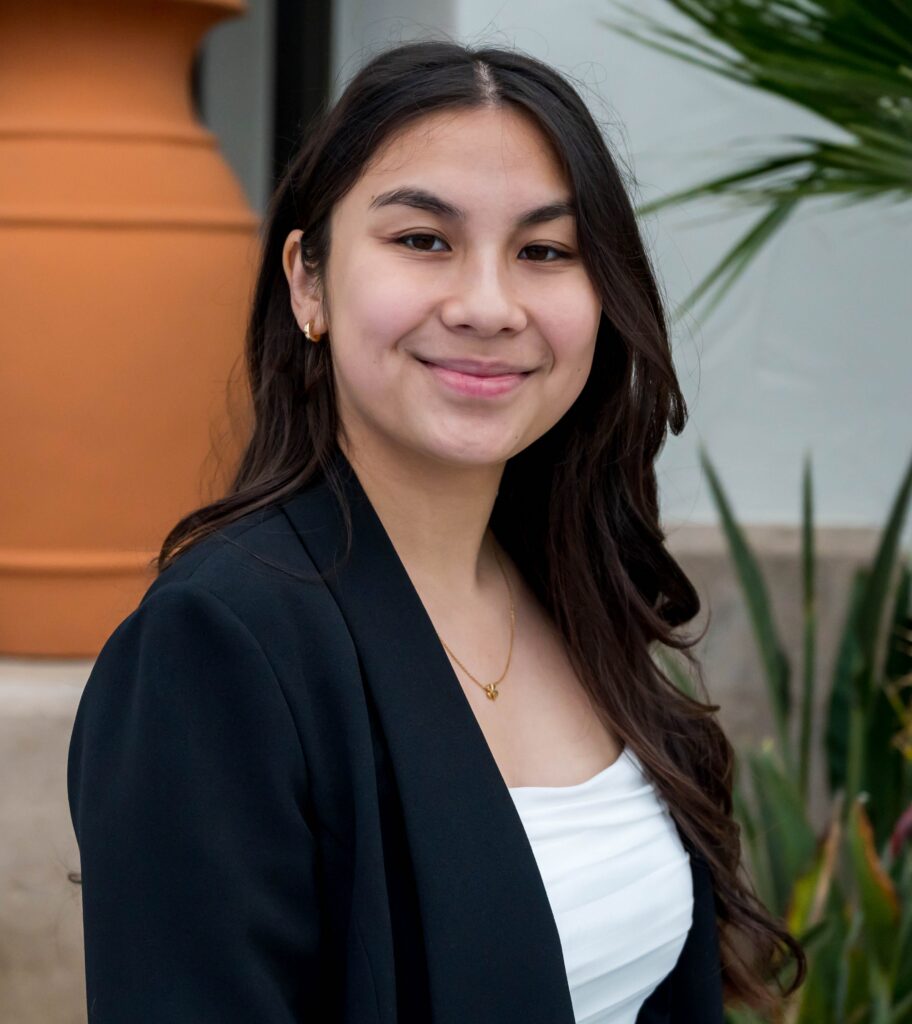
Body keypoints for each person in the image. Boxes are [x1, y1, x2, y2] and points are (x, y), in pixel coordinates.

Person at [67, 39, 805, 1024]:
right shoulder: (217, 643)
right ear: (308, 282)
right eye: (423, 240)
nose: (489, 307)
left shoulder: (571, 587)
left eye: (545, 251)